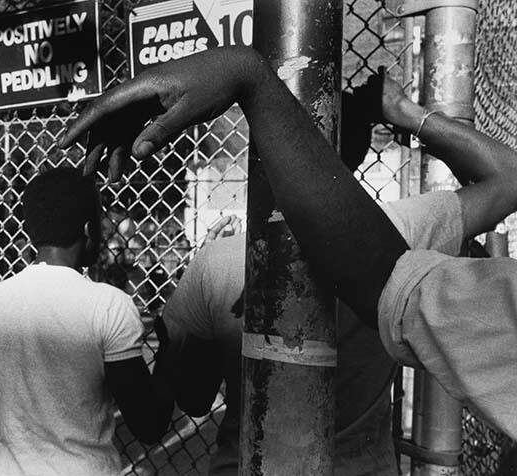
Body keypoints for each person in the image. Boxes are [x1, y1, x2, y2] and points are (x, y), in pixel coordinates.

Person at [59, 46, 517, 440]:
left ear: (268, 149)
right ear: (358, 148)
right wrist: (406, 114)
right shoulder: (404, 231)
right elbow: (509, 178)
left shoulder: (219, 264)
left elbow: (194, 399)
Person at [0, 168, 173, 476]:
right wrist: (170, 343)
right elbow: (149, 426)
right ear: (90, 229)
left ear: (30, 229)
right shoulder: (108, 305)